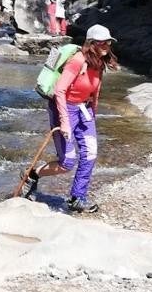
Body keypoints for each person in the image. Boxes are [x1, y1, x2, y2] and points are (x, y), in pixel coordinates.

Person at [19, 25, 118, 213]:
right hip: (64, 109)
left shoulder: (99, 61)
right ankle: (31, 175)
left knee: (90, 154)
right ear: (91, 43)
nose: (106, 45)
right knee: (67, 162)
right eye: (102, 42)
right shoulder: (77, 61)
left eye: (109, 42)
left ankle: (77, 197)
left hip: (84, 110)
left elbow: (95, 89)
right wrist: (64, 121)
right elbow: (60, 90)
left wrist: (93, 113)